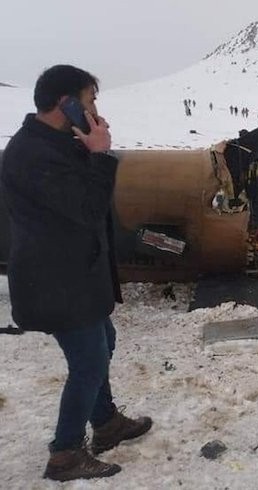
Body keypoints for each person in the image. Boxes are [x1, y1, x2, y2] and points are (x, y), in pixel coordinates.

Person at [1, 65, 152, 481]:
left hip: (75, 274)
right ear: (65, 103)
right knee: (88, 362)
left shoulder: (54, 143)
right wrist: (100, 156)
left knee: (104, 341)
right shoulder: (33, 155)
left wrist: (89, 149)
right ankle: (65, 454)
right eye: (90, 101)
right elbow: (86, 209)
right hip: (54, 281)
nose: (95, 110)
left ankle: (105, 422)